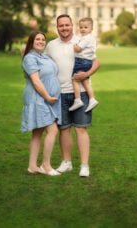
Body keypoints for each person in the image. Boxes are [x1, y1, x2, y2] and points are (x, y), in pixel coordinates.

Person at [45, 14, 100, 177]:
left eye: (67, 25)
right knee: (64, 130)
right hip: (59, 94)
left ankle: (84, 166)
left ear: (72, 26)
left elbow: (97, 62)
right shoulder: (51, 45)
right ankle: (66, 162)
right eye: (61, 25)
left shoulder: (81, 40)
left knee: (81, 129)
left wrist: (87, 74)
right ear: (57, 27)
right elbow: (46, 66)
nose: (64, 28)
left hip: (81, 93)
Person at [21, 31, 61, 176]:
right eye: (37, 39)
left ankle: (32, 166)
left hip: (47, 99)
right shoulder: (30, 58)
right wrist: (48, 97)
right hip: (38, 98)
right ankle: (46, 165)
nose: (41, 41)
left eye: (43, 39)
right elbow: (36, 81)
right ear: (31, 41)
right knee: (53, 130)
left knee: (37, 133)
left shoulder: (44, 56)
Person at [69, 17, 99, 112]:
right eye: (81, 27)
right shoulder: (90, 38)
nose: (82, 29)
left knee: (75, 79)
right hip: (87, 61)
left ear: (91, 29)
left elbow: (78, 49)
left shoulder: (86, 38)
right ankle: (92, 99)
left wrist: (74, 45)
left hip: (81, 61)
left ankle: (77, 100)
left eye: (85, 27)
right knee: (84, 81)